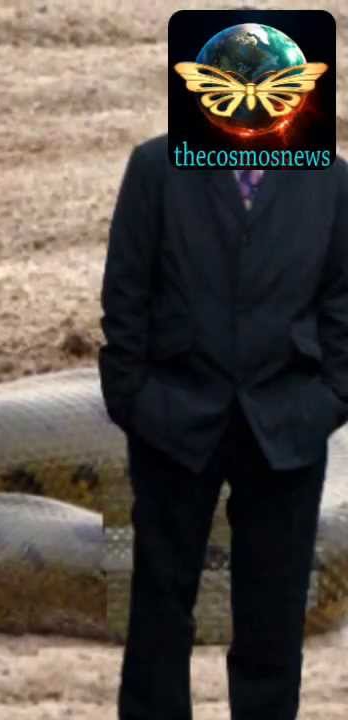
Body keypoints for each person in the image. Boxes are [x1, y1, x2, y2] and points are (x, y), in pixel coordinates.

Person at [98, 134, 348, 720]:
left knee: (275, 617)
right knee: (158, 607)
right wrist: (133, 399)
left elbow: (343, 301)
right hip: (173, 419)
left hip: (287, 424)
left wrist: (330, 398)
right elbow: (125, 291)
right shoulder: (156, 167)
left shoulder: (332, 181)